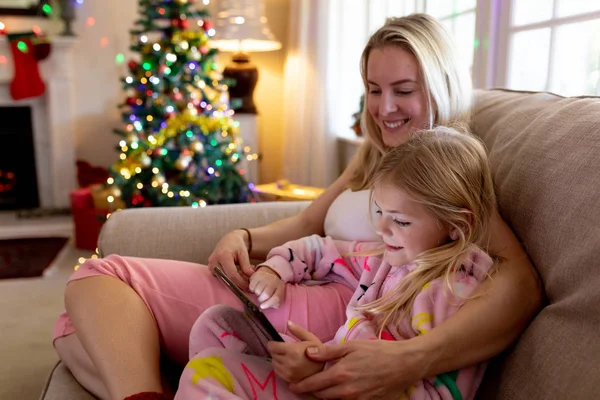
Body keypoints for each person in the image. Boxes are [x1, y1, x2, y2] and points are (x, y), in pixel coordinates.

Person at [52, 13, 542, 400]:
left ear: (440, 85)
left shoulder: (447, 168)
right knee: (82, 327)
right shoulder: (377, 154)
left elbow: (519, 283)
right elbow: (309, 220)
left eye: (404, 90)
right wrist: (244, 239)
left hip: (329, 309)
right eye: (374, 90)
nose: (384, 107)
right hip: (289, 282)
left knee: (98, 283)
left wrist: (412, 358)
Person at [175, 127, 497, 400]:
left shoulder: (457, 292)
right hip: (322, 373)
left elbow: (437, 395)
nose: (382, 229)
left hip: (339, 388)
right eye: (380, 213)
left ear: (456, 224)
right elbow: (320, 250)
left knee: (205, 373)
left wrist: (324, 368)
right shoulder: (388, 258)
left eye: (400, 221)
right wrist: (276, 269)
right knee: (216, 323)